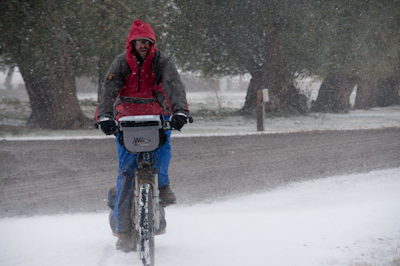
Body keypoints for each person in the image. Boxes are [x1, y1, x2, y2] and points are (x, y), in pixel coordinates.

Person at [97, 19, 190, 252]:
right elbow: (108, 91)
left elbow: (173, 85)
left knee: (163, 154)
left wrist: (180, 111)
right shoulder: (121, 63)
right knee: (127, 174)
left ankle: (163, 186)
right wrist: (105, 116)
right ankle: (123, 232)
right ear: (131, 43)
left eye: (147, 42)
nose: (143, 45)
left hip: (157, 118)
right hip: (126, 120)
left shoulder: (162, 62)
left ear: (152, 43)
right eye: (139, 41)